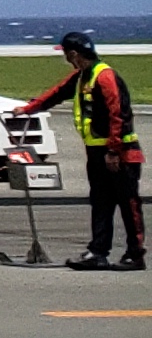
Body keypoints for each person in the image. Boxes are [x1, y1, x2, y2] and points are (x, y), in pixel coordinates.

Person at [12, 32, 143, 271]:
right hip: (96, 152)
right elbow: (57, 93)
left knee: (128, 203)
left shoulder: (104, 76)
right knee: (100, 203)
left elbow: (118, 114)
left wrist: (114, 151)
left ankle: (135, 255)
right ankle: (98, 252)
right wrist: (28, 109)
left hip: (120, 152)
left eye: (66, 55)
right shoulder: (82, 77)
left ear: (73, 54)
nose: (66, 60)